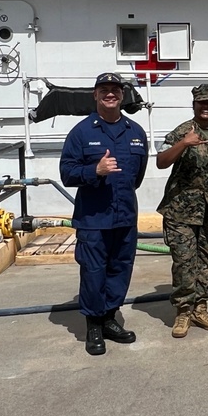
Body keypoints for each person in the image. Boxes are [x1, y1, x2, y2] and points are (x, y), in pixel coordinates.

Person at [59, 72, 149, 356]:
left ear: (122, 95)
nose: (110, 94)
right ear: (95, 95)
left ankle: (110, 318)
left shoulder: (135, 132)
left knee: (120, 268)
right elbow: (66, 173)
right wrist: (94, 171)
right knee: (94, 272)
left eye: (115, 90)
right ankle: (94, 325)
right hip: (94, 219)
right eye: (104, 90)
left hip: (124, 216)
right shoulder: (82, 132)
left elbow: (138, 176)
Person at [156, 84, 208, 338]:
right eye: (202, 103)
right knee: (184, 262)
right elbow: (161, 161)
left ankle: (200, 307)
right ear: (194, 105)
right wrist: (184, 144)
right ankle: (183, 311)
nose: (206, 108)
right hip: (181, 210)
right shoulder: (182, 131)